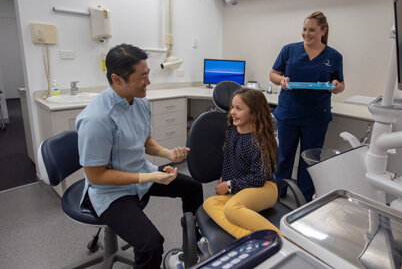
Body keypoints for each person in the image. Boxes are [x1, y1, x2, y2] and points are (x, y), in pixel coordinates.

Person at [75, 43, 203, 269]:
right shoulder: (97, 119)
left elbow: (144, 141)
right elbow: (96, 176)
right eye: (142, 76)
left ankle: (192, 248)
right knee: (151, 245)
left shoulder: (141, 101)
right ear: (117, 79)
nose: (149, 82)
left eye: (148, 74)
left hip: (142, 173)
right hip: (110, 191)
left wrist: (167, 153)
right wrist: (149, 178)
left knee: (192, 187)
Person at [269, 11, 345, 202]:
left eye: (312, 30)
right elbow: (272, 74)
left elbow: (341, 84)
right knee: (284, 156)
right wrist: (282, 80)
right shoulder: (289, 50)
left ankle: (304, 199)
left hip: (316, 116)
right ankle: (278, 194)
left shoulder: (334, 56)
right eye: (304, 29)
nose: (306, 33)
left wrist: (335, 87)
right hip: (289, 113)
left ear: (323, 31)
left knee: (309, 159)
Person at [203, 87, 281, 239]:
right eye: (232, 107)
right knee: (210, 204)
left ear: (254, 112)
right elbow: (230, 160)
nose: (233, 112)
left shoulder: (258, 140)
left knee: (231, 209)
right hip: (243, 187)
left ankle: (280, 238)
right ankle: (248, 237)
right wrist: (224, 178)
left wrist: (229, 185)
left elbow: (259, 178)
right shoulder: (233, 130)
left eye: (239, 108)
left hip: (265, 188)